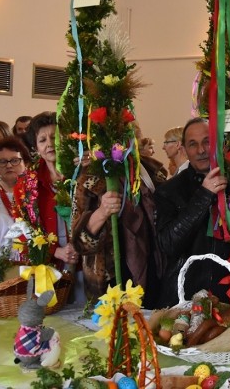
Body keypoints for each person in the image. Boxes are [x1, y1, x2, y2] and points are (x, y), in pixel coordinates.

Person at [71, 125, 167, 305]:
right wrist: (102, 212)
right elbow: (80, 243)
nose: (120, 144)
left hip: (155, 268)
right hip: (111, 277)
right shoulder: (90, 176)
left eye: (127, 136)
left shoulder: (151, 172)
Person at [155, 118, 230, 308]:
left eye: (207, 142)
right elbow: (168, 244)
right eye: (193, 144)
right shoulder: (169, 190)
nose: (201, 150)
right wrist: (204, 195)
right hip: (186, 297)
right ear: (184, 149)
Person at [27, 112, 77, 268]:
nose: (49, 144)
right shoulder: (28, 183)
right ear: (36, 148)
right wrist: (55, 251)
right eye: (42, 140)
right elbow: (25, 228)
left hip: (85, 259)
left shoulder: (79, 173)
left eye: (54, 137)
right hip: (49, 264)